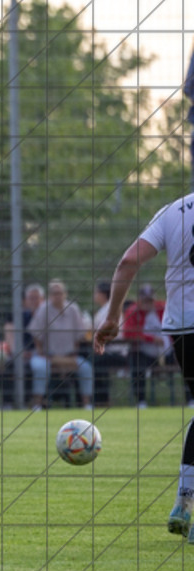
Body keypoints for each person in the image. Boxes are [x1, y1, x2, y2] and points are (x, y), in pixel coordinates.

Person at [93, 192, 194, 542]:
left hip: (183, 328)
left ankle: (184, 500)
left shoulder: (174, 210)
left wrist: (113, 315)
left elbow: (127, 262)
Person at [27, 279, 93, 410]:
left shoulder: (73, 309)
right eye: (54, 293)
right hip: (46, 356)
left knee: (86, 368)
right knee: (40, 368)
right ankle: (37, 404)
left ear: (65, 293)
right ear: (49, 295)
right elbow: (36, 335)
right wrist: (42, 353)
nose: (57, 296)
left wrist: (73, 353)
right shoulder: (43, 310)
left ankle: (87, 404)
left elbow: (80, 335)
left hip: (69, 356)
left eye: (60, 293)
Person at [121, 283, 168, 408]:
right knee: (137, 365)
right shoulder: (132, 311)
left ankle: (190, 399)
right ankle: (141, 401)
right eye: (145, 301)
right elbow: (128, 333)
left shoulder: (164, 308)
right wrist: (151, 339)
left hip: (167, 351)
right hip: (144, 352)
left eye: (150, 300)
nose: (147, 304)